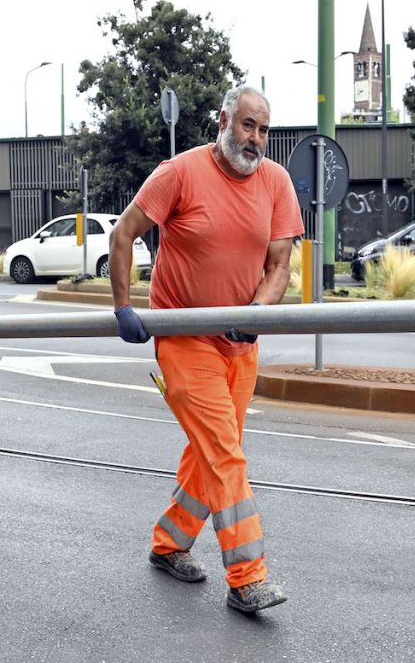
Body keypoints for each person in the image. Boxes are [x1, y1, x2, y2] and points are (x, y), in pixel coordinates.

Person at [109, 85, 304, 614]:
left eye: (264, 130)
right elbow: (124, 234)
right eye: (247, 126)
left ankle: (169, 544)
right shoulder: (180, 172)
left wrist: (256, 313)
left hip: (239, 345)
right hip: (182, 338)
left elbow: (279, 266)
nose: (256, 139)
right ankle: (247, 577)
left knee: (210, 450)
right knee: (224, 452)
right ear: (223, 121)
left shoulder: (276, 182)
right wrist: (125, 306)